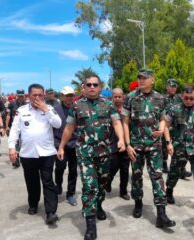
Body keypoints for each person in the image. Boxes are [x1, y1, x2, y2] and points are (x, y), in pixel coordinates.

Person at [57, 74, 125, 240]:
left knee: (102, 185)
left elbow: (116, 123)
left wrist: (122, 139)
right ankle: (90, 223)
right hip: (85, 153)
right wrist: (61, 146)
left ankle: (99, 205)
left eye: (95, 84)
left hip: (104, 153)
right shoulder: (76, 106)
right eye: (89, 84)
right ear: (84, 87)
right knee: (89, 186)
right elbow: (69, 127)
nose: (92, 87)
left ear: (100, 87)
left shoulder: (108, 104)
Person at [122, 68, 176, 229]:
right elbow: (125, 122)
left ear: (152, 80)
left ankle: (161, 214)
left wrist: (162, 131)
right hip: (136, 145)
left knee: (157, 177)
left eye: (145, 78)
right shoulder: (130, 98)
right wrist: (127, 145)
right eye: (139, 78)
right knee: (137, 177)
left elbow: (163, 119)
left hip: (154, 145)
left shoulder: (160, 98)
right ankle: (138, 203)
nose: (141, 80)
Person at [8, 83, 61, 225]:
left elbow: (58, 124)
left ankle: (51, 212)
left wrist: (46, 110)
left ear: (43, 95)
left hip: (47, 152)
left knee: (48, 181)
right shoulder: (21, 110)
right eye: (34, 95)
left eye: (40, 95)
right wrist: (12, 147)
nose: (37, 97)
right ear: (28, 96)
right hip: (28, 153)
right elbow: (15, 130)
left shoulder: (49, 108)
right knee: (31, 182)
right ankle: (33, 203)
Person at [164, 86, 194, 212]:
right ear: (182, 97)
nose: (188, 100)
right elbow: (166, 126)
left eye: (191, 98)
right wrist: (168, 143)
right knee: (174, 173)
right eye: (186, 98)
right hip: (179, 148)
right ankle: (169, 192)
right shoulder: (174, 109)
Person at [53, 86, 78, 206]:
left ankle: (71, 193)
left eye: (71, 95)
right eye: (67, 95)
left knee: (73, 170)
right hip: (59, 144)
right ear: (62, 96)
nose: (69, 98)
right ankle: (58, 186)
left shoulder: (77, 108)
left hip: (74, 144)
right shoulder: (55, 109)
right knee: (60, 167)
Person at [163, 79, 192, 179]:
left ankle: (181, 169)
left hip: (177, 126)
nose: (172, 88)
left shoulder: (179, 98)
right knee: (165, 145)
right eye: (171, 86)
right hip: (166, 124)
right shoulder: (163, 98)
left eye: (174, 86)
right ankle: (164, 163)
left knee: (179, 148)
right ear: (167, 87)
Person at [106, 88, 131, 200]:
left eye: (119, 96)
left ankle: (123, 191)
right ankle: (107, 182)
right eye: (115, 96)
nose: (117, 99)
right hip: (113, 144)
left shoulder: (127, 110)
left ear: (123, 97)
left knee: (125, 169)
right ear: (112, 97)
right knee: (113, 167)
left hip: (126, 144)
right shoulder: (109, 110)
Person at [6, 89, 27, 168]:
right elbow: (8, 115)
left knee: (23, 143)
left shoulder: (27, 104)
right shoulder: (11, 104)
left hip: (25, 127)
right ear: (17, 95)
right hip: (14, 126)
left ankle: (23, 157)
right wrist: (7, 126)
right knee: (16, 143)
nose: (21, 97)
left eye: (22, 96)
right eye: (19, 96)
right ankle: (16, 160)